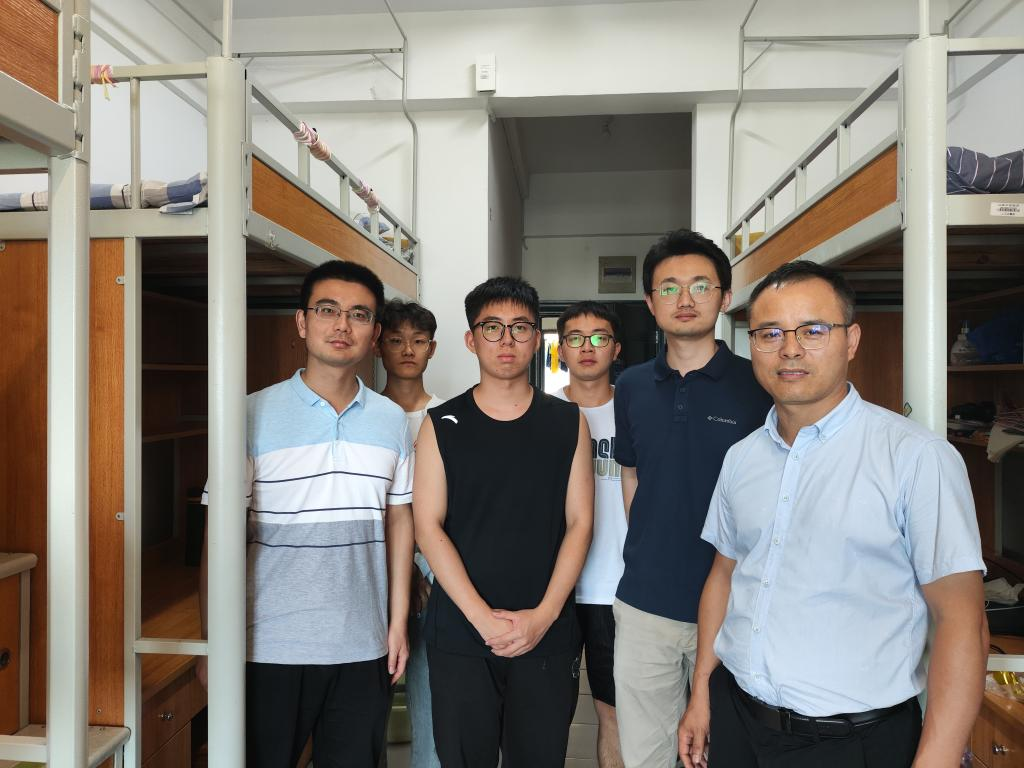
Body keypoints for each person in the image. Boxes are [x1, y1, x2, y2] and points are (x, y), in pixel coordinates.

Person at [680, 260, 988, 768]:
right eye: (770, 333)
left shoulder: (916, 458)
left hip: (852, 742)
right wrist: (701, 694)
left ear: (851, 340)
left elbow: (962, 621)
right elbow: (725, 575)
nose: (790, 349)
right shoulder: (742, 457)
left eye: (813, 330)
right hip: (738, 721)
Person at [198, 259, 414, 768]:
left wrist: (398, 623)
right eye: (327, 310)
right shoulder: (248, 414)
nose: (342, 325)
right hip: (265, 646)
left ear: (374, 334)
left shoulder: (391, 421)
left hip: (363, 644)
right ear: (302, 322)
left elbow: (399, 520)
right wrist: (213, 642)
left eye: (359, 314)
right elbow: (220, 536)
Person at [413, 276, 594, 767]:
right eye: (492, 328)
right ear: (471, 340)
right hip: (461, 633)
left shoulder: (568, 421)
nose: (506, 340)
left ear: (537, 339)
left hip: (546, 633)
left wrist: (543, 617)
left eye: (520, 327)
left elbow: (580, 523)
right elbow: (428, 526)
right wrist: (481, 619)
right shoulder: (441, 425)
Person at [612, 229, 772, 768]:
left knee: (724, 753)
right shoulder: (631, 386)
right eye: (670, 287)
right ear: (650, 302)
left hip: (738, 604)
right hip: (645, 605)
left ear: (725, 298)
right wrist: (651, 543)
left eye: (701, 286)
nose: (685, 299)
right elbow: (631, 474)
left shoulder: (759, 384)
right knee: (648, 756)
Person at [554, 301, 628, 768]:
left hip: (616, 587)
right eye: (576, 338)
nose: (588, 347)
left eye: (599, 337)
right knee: (546, 715)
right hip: (552, 589)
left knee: (613, 712)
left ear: (616, 349)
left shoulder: (636, 410)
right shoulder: (541, 412)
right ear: (561, 349)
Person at [377, 298, 444, 768]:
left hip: (434, 563)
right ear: (379, 345)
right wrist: (400, 570)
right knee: (365, 704)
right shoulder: (365, 413)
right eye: (397, 340)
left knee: (431, 695)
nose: (407, 350)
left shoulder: (448, 416)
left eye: (418, 341)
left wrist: (423, 565)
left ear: (431, 349)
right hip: (372, 560)